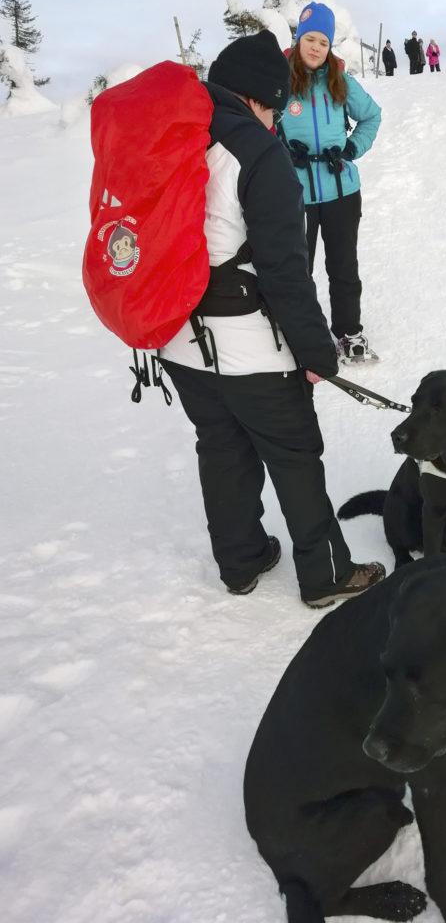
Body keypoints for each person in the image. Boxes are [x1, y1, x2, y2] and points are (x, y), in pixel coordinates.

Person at [158, 30, 385, 606]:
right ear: (258, 99)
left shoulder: (174, 138)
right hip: (250, 346)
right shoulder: (260, 155)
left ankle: (240, 561)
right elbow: (285, 272)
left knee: (221, 447)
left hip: (177, 339)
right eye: (276, 108)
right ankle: (326, 574)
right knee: (293, 454)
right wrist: (316, 352)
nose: (276, 120)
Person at [280, 2, 382, 362]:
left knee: (343, 266)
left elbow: (372, 116)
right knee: (297, 270)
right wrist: (279, 156)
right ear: (298, 40)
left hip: (342, 191)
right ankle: (304, 337)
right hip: (296, 194)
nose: (315, 48)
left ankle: (349, 333)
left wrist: (353, 147)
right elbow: (258, 124)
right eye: (309, 39)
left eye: (323, 42)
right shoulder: (280, 80)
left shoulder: (341, 81)